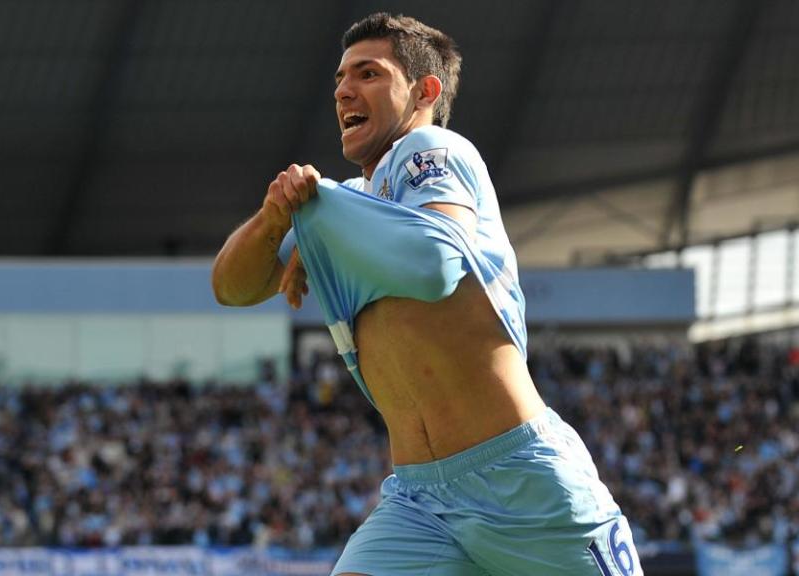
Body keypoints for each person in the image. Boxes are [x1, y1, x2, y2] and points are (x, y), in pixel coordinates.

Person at [212, 12, 642, 576]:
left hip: (524, 483)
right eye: (340, 78)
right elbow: (232, 286)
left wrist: (324, 211)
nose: (344, 90)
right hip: (419, 503)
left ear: (424, 91)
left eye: (368, 73)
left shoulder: (433, 150)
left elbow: (433, 263)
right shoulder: (349, 210)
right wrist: (277, 217)